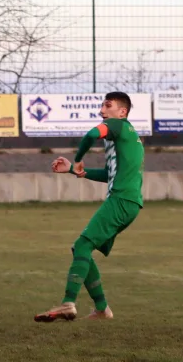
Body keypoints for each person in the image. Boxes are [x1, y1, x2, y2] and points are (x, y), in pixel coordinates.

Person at [34, 91, 144, 322]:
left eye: (107, 105)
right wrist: (75, 171)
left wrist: (78, 157)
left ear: (122, 112)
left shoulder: (118, 126)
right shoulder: (125, 137)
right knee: (81, 248)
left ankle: (68, 303)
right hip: (127, 202)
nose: (102, 110)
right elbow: (109, 174)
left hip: (121, 200)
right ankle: (102, 309)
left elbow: (91, 133)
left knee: (83, 244)